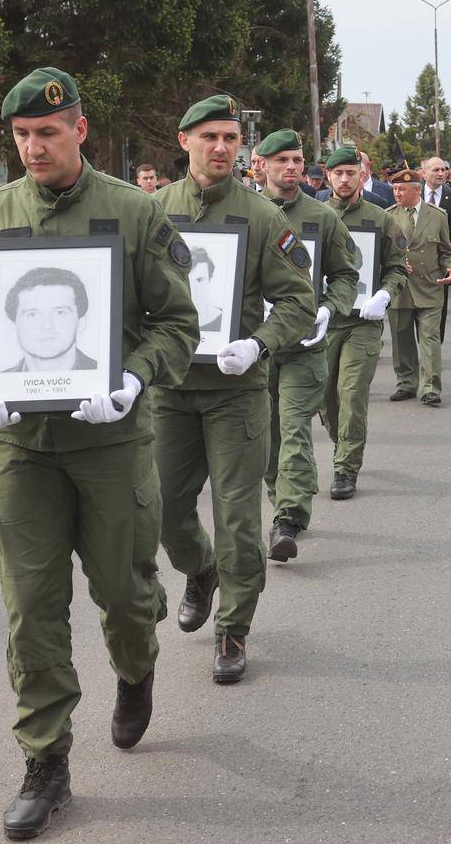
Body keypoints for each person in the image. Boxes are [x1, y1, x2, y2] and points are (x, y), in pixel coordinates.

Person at [0, 66, 198, 838]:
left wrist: (134, 375)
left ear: (80, 130)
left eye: (47, 133)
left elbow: (177, 323)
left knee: (126, 596)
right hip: (22, 447)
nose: (34, 147)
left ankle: (137, 668)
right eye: (22, 135)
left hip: (109, 441)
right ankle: (47, 759)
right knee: (32, 608)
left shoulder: (133, 213)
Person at [154, 95, 315, 686]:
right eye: (209, 137)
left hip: (235, 389)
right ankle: (199, 570)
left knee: (238, 515)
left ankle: (234, 626)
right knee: (167, 511)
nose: (222, 147)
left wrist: (260, 344)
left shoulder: (263, 216)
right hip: (169, 388)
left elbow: (300, 300)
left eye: (230, 138)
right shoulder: (152, 211)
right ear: (184, 140)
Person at [255, 129, 358, 559]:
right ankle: (280, 494)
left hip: (303, 346)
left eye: (298, 160)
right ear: (261, 164)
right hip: (255, 349)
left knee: (294, 426)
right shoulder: (246, 213)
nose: (292, 168)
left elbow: (346, 275)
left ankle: (289, 518)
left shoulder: (322, 217)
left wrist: (329, 310)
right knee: (266, 437)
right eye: (282, 160)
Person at [321, 146, 409, 498]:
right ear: (328, 176)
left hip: (363, 321)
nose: (344, 179)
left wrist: (385, 294)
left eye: (351, 173)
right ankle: (343, 439)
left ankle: (345, 466)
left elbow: (397, 267)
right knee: (326, 398)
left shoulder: (380, 218)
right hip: (324, 322)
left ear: (362, 175)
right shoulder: (316, 215)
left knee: (352, 392)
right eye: (338, 173)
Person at [387, 167, 451, 405]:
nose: (397, 193)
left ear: (417, 190)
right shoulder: (387, 216)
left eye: (402, 189)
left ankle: (430, 387)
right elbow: (382, 253)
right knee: (401, 339)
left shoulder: (437, 215)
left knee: (429, 338)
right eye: (394, 188)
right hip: (400, 289)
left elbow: (447, 251)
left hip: (430, 286)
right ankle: (406, 383)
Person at [0, 267, 98, 371]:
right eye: (32, 314)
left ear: (81, 322)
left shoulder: (107, 374)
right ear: (13, 327)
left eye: (60, 312)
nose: (47, 325)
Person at [421, 157, 451, 337]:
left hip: (440, 263)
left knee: (439, 307)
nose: (441, 173)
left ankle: (434, 347)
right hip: (415, 262)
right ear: (424, 173)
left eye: (443, 170)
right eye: (436, 170)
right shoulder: (415, 195)